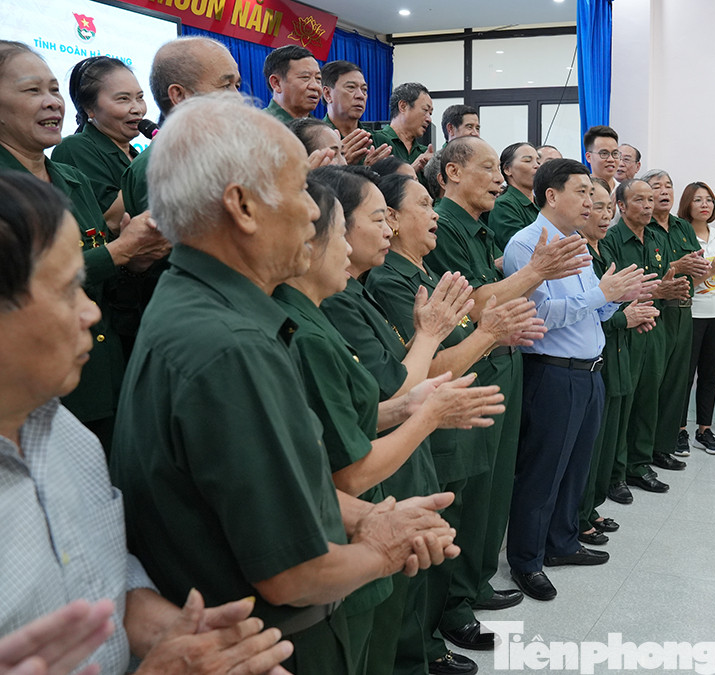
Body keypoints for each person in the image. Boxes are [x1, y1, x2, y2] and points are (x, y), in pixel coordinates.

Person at [107, 93, 460, 674]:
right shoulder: (232, 345)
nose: (314, 215)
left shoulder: (198, 306)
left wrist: (365, 516)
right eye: (301, 191)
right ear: (242, 207)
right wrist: (384, 546)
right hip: (274, 643)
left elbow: (261, 485)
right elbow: (296, 573)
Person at [0, 171, 293, 675]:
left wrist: (176, 635)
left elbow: (102, 576)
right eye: (69, 289)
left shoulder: (67, 437)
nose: (91, 311)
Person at [274, 178, 504, 674]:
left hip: (392, 487)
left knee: (403, 629)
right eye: (374, 220)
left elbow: (374, 404)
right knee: (379, 644)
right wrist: (424, 403)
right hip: (368, 501)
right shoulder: (313, 322)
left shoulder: (345, 297)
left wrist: (410, 407)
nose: (387, 229)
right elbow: (356, 453)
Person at [365, 172, 545, 673]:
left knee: (457, 526)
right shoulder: (388, 281)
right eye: (425, 204)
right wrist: (489, 333)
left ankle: (438, 628)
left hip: (447, 415)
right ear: (393, 221)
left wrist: (489, 330)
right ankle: (420, 647)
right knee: (429, 541)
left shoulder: (421, 276)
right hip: (428, 423)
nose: (435, 214)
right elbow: (428, 365)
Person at [424, 136, 591, 643]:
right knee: (471, 488)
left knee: (495, 484)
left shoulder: (476, 229)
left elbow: (493, 300)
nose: (499, 178)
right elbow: (474, 303)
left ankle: (473, 584)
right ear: (451, 173)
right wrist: (536, 273)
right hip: (473, 364)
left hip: (504, 357)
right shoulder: (448, 225)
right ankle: (452, 609)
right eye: (487, 169)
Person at [0, 41, 166, 452]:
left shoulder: (72, 179)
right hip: (33, 387)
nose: (51, 102)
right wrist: (119, 252)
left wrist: (136, 261)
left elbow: (101, 278)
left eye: (54, 90)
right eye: (31, 91)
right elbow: (27, 280)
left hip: (103, 372)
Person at [503, 159, 651, 602]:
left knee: (575, 469)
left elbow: (590, 309)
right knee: (542, 471)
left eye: (592, 193)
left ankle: (562, 543)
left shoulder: (576, 244)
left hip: (589, 371)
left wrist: (614, 297)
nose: (591, 201)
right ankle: (527, 561)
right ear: (552, 195)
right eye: (583, 192)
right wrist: (600, 295)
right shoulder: (526, 245)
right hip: (551, 372)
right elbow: (541, 315)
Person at [576, 178, 657, 541]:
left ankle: (590, 506)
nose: (604, 215)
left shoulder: (600, 253)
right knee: (590, 445)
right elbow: (587, 311)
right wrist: (626, 315)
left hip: (615, 351)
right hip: (594, 354)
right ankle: (579, 514)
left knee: (607, 438)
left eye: (608, 209)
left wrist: (634, 307)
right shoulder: (579, 254)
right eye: (597, 208)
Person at [601, 178, 689, 501]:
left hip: (656, 324)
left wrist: (668, 289)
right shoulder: (611, 239)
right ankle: (615, 473)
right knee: (625, 403)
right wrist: (658, 291)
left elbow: (665, 278)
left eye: (651, 200)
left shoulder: (655, 236)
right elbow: (610, 291)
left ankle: (640, 464)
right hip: (626, 329)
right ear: (621, 206)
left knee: (649, 396)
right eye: (640, 200)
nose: (649, 206)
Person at [121, 36, 242, 216]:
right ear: (179, 95)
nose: (238, 98)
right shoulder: (158, 165)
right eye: (225, 86)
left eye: (237, 85)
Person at [644, 169, 706, 465]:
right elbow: (642, 271)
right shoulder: (642, 227)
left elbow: (695, 264)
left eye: (668, 185)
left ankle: (664, 447)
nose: (664, 191)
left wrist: (705, 268)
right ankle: (642, 451)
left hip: (684, 310)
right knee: (652, 384)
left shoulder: (683, 226)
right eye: (657, 186)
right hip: (657, 312)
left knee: (676, 384)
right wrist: (676, 265)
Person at [52, 56, 146, 225]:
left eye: (140, 97)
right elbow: (112, 221)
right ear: (90, 108)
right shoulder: (74, 148)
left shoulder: (135, 154)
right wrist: (157, 160)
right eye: (123, 99)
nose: (138, 109)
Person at [677, 182, 715, 455]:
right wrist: (712, 268)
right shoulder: (681, 234)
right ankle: (679, 430)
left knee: (710, 375)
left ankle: (704, 430)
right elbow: (686, 282)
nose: (704, 204)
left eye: (709, 200)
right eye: (698, 199)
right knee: (685, 375)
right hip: (692, 312)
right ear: (687, 204)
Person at [319, 60, 390, 167]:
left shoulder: (379, 141)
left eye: (364, 89)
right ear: (328, 94)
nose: (360, 95)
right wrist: (340, 163)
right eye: (351, 87)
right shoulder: (314, 139)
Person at [374, 83, 435, 175]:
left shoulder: (424, 152)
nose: (429, 119)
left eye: (430, 114)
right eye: (425, 110)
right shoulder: (375, 142)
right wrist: (413, 169)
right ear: (403, 106)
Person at [489, 142, 541, 248]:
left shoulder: (541, 203)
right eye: (527, 161)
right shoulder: (503, 205)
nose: (537, 166)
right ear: (507, 169)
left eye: (538, 161)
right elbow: (520, 249)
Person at [263, 45, 320, 122]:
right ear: (276, 83)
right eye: (305, 77)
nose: (316, 86)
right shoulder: (256, 126)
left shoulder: (324, 130)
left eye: (318, 78)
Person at [583, 126, 619, 191]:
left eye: (615, 153)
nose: (611, 159)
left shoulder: (625, 193)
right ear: (589, 157)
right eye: (604, 154)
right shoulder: (582, 192)